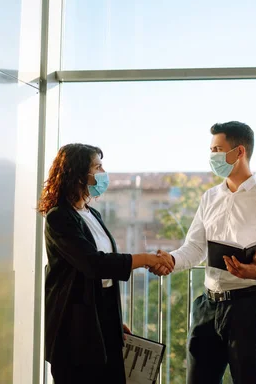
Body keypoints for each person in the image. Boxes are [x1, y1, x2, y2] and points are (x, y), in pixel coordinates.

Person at [151, 122, 256, 384]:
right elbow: (196, 247)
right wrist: (172, 260)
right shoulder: (209, 197)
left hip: (248, 307)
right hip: (207, 307)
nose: (212, 156)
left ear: (239, 151)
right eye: (211, 149)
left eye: (218, 149)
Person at [38, 143, 174, 384]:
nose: (103, 172)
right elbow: (93, 264)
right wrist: (144, 259)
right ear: (79, 174)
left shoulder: (93, 215)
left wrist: (111, 318)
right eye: (97, 166)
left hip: (100, 320)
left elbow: (103, 278)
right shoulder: (59, 217)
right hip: (74, 328)